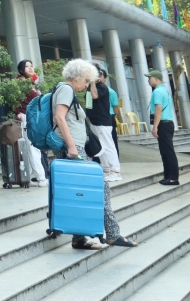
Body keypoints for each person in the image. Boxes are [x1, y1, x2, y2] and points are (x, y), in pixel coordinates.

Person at [52, 59, 137, 249]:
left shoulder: (63, 89)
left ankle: (80, 237)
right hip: (74, 150)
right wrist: (73, 146)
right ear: (78, 77)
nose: (86, 85)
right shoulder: (66, 89)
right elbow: (59, 116)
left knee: (81, 193)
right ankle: (112, 234)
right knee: (100, 187)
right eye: (86, 80)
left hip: (72, 148)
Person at [13, 58, 48, 185]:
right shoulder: (20, 82)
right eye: (27, 66)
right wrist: (17, 112)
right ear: (21, 70)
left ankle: (32, 176)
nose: (30, 68)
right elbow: (14, 99)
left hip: (34, 117)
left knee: (33, 147)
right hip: (26, 116)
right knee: (33, 147)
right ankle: (41, 177)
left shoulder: (32, 82)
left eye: (31, 66)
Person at [86, 66, 121, 182]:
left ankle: (115, 171)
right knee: (100, 147)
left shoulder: (102, 87)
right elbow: (88, 103)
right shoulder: (90, 87)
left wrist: (92, 83)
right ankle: (107, 170)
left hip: (103, 121)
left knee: (108, 146)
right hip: (94, 121)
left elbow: (95, 96)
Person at [148, 69, 180, 185]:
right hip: (167, 123)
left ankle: (173, 178)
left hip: (164, 124)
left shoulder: (157, 92)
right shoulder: (163, 90)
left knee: (168, 151)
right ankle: (168, 176)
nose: (148, 80)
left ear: (156, 79)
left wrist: (155, 127)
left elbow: (158, 110)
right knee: (165, 152)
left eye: (149, 78)